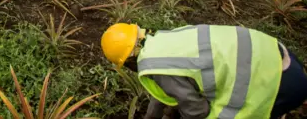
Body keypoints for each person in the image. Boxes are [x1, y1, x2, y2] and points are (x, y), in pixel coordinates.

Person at [101, 23, 307, 119]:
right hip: (281, 57)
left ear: (128, 61)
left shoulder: (157, 68)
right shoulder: (163, 40)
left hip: (277, 85)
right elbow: (167, 91)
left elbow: (197, 111)